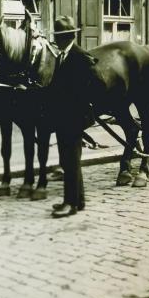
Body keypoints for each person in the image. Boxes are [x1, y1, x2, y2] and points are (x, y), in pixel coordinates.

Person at [49, 16, 99, 218]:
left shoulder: (80, 57)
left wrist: (80, 107)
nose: (57, 41)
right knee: (69, 160)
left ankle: (70, 204)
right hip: (63, 117)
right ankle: (78, 200)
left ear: (68, 37)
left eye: (60, 37)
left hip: (73, 118)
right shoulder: (63, 56)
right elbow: (56, 88)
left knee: (70, 160)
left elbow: (95, 85)